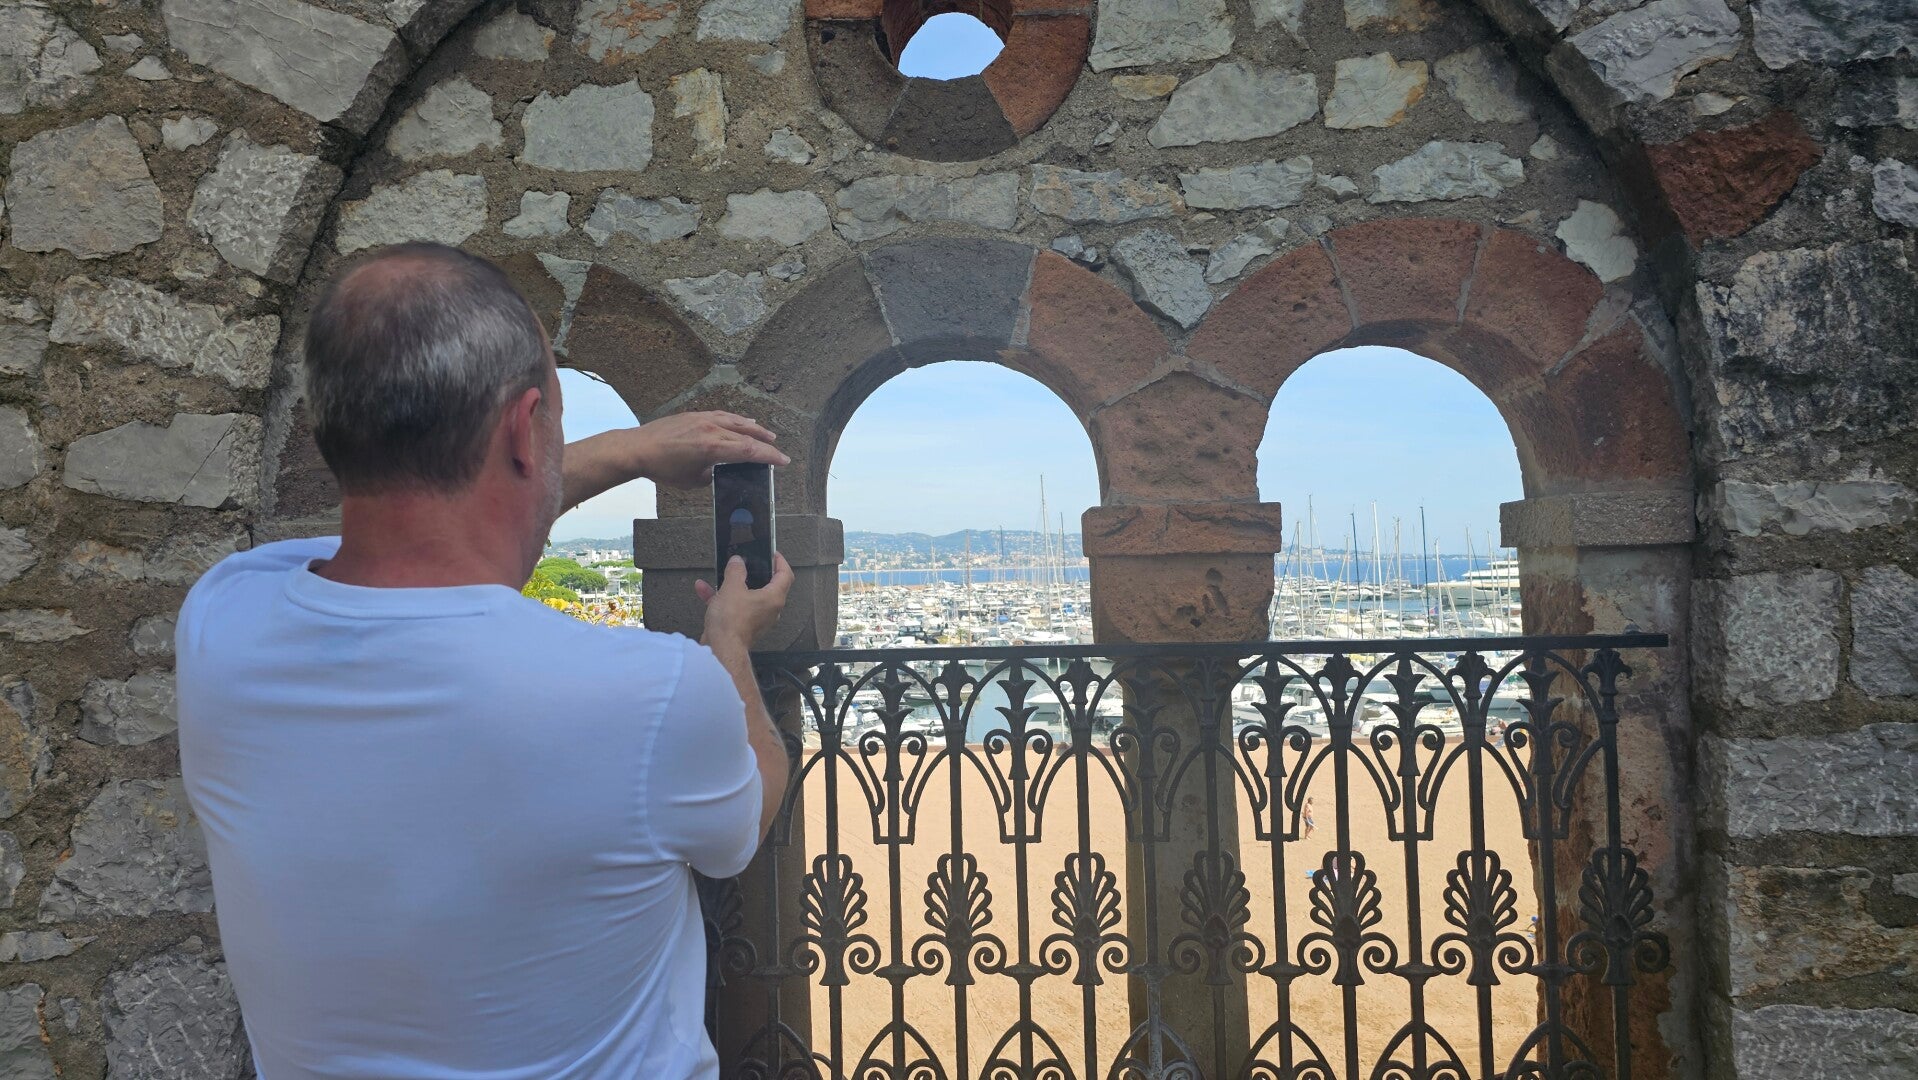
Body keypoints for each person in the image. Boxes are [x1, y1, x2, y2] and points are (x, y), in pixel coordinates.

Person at [176, 242, 794, 1079]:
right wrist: (729, 644)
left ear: (329, 427)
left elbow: (419, 541)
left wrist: (624, 449)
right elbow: (744, 818)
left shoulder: (223, 621)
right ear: (520, 429)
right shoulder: (654, 694)